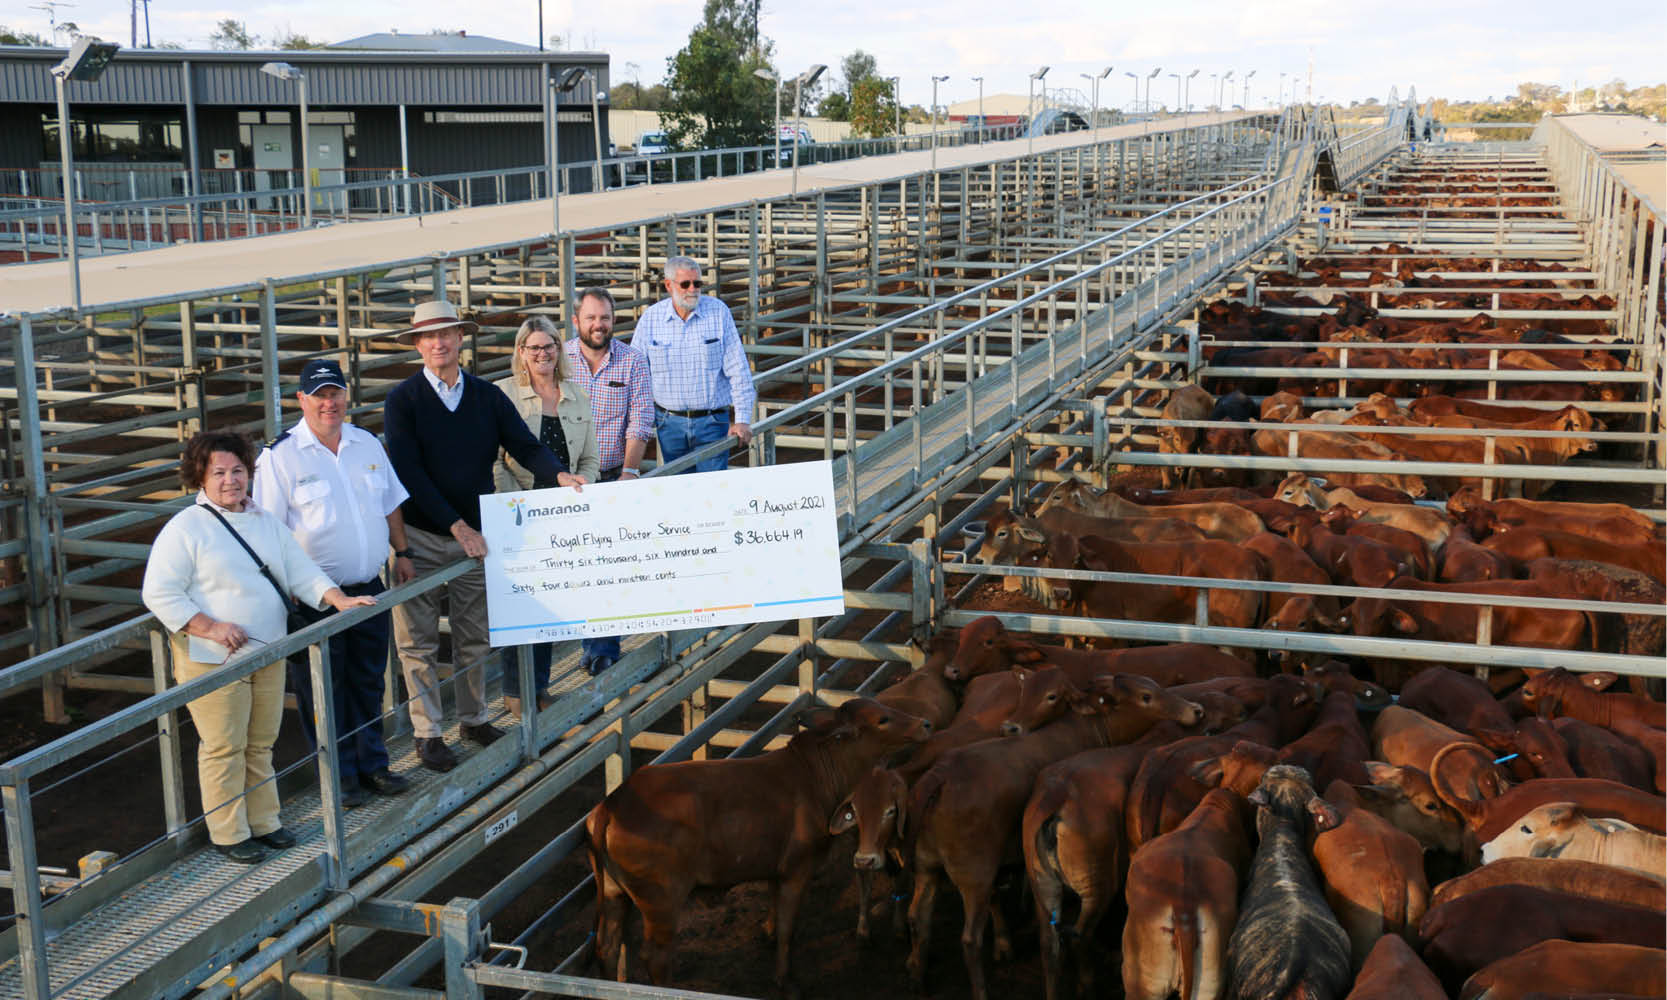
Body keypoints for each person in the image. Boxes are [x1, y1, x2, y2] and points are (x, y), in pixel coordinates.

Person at [142, 430, 377, 864]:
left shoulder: (264, 521)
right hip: (215, 658)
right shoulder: (186, 528)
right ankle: (230, 832)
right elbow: (159, 593)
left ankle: (265, 822)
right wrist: (209, 625)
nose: (231, 480)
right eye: (219, 473)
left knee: (259, 741)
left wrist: (337, 598)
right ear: (200, 477)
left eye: (237, 471)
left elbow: (298, 569)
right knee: (224, 745)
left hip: (267, 649)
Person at [384, 300, 585, 773]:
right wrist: (457, 526)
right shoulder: (404, 399)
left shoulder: (485, 396)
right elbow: (407, 471)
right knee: (418, 641)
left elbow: (524, 444)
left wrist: (558, 476)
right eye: (428, 336)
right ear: (418, 345)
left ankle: (473, 718)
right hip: (426, 534)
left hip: (475, 533)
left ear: (459, 339)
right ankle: (428, 732)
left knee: (474, 633)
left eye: (446, 334)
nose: (438, 343)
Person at [253, 359, 414, 809]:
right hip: (315, 598)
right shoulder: (279, 457)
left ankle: (373, 766)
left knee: (367, 680)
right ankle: (339, 777)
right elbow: (269, 533)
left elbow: (390, 503)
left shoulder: (366, 443)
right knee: (323, 688)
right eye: (319, 395)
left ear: (347, 396)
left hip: (368, 585)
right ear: (301, 400)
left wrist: (402, 553)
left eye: (336, 393)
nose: (330, 403)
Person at [493, 316, 600, 709]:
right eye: (534, 347)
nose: (542, 353)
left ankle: (538, 685)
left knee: (551, 602)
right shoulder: (503, 395)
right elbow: (494, 461)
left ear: (559, 349)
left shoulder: (576, 395)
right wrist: (516, 504)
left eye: (549, 346)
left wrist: (580, 487)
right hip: (519, 515)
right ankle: (514, 692)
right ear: (521, 352)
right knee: (518, 601)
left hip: (562, 516)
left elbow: (590, 457)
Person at [563, 286, 653, 674]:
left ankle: (603, 649)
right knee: (579, 565)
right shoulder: (558, 357)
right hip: (569, 480)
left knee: (608, 565)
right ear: (576, 321)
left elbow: (641, 420)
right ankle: (589, 640)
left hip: (614, 474)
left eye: (605, 318)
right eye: (591, 318)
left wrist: (631, 470)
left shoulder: (632, 361)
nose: (598, 325)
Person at [636, 255, 757, 473]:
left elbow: (738, 369)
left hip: (711, 422)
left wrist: (742, 419)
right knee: (679, 489)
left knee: (711, 489)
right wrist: (641, 420)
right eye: (685, 284)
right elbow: (636, 372)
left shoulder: (718, 312)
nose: (692, 289)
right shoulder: (651, 319)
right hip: (668, 422)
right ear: (668, 285)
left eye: (697, 283)